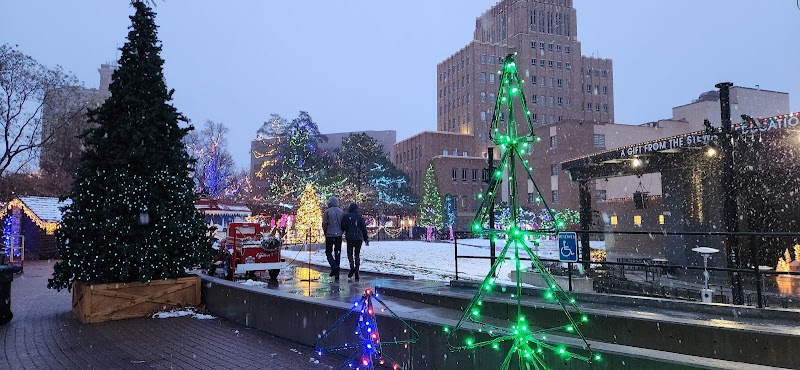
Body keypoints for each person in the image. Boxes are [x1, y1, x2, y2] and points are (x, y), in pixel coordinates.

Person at [341, 202, 369, 281]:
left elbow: (343, 226)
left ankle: (352, 267)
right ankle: (357, 271)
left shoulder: (347, 216)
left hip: (350, 237)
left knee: (349, 253)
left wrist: (343, 231)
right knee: (357, 254)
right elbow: (363, 229)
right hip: (358, 238)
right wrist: (366, 238)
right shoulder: (360, 217)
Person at [322, 196, 345, 281]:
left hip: (329, 235)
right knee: (337, 253)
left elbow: (324, 223)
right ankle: (337, 273)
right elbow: (343, 223)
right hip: (338, 235)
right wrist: (341, 231)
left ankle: (334, 266)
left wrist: (325, 232)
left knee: (328, 253)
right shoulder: (341, 212)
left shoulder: (327, 212)